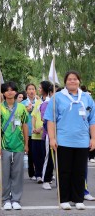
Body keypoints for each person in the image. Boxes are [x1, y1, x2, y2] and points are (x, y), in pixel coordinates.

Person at [44, 70, 95, 210]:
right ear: (65, 82)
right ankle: (64, 199)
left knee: (79, 171)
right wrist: (52, 138)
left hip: (82, 140)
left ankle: (78, 198)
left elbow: (92, 121)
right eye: (69, 79)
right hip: (63, 140)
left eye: (75, 79)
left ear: (79, 81)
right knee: (64, 171)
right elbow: (50, 120)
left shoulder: (86, 98)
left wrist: (93, 138)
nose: (72, 81)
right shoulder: (58, 97)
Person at [0, 81, 29, 210]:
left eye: (12, 89)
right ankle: (6, 199)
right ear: (3, 92)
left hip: (18, 145)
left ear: (16, 92)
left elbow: (25, 126)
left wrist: (26, 144)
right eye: (6, 90)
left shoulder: (21, 108)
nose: (9, 92)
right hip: (3, 145)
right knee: (4, 173)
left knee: (18, 173)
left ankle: (16, 199)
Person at [21, 83, 40, 180]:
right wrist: (26, 110)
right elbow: (18, 115)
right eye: (29, 89)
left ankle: (39, 172)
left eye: (33, 89)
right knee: (30, 152)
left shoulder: (39, 102)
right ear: (26, 91)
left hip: (38, 131)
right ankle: (31, 173)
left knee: (38, 153)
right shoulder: (23, 103)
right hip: (27, 131)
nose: (31, 91)